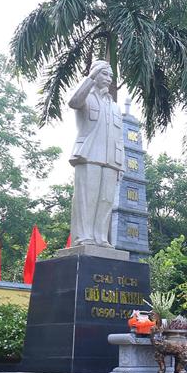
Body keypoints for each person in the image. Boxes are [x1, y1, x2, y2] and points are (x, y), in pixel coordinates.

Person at [68, 60, 125, 247]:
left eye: (110, 76)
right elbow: (74, 102)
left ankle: (101, 237)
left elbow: (119, 139)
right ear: (95, 74)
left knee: (106, 200)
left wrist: (121, 165)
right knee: (87, 198)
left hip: (111, 160)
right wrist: (90, 79)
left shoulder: (114, 107)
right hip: (88, 155)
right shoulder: (86, 97)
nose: (109, 79)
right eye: (104, 74)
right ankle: (84, 237)